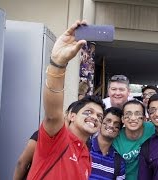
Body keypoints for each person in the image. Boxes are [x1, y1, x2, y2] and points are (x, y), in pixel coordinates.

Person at [27, 20, 105, 180]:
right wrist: (58, 64)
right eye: (89, 112)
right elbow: (53, 114)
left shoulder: (87, 156)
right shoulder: (56, 137)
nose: (95, 118)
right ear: (71, 116)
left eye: (99, 116)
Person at [13, 101, 78, 180]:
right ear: (67, 113)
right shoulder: (45, 135)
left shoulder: (79, 145)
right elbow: (22, 163)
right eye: (74, 112)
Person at [88, 107, 126, 179]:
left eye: (116, 124)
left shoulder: (119, 162)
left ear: (119, 132)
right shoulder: (84, 148)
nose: (111, 125)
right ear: (100, 123)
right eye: (108, 121)